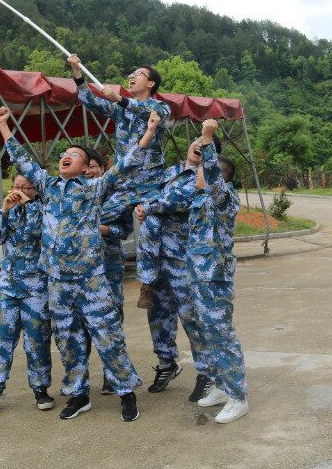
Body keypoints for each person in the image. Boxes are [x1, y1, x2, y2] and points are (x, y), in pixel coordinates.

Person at [0, 104, 161, 422]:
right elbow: (21, 159)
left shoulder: (94, 189)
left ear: (84, 166)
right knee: (67, 339)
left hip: (90, 279)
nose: (65, 157)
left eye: (73, 154)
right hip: (58, 282)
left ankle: (126, 392)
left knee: (107, 334)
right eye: (63, 154)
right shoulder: (47, 186)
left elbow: (127, 164)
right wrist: (3, 125)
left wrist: (149, 131)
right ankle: (78, 394)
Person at [67, 54, 170, 309]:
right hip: (123, 183)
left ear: (151, 84)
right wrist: (77, 72)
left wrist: (120, 99)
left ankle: (147, 283)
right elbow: (89, 101)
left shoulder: (160, 107)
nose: (131, 77)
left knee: (151, 225)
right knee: (95, 217)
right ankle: (83, 268)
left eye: (138, 74)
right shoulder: (120, 110)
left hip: (150, 183)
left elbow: (148, 112)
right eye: (131, 74)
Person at [133, 136, 215, 399]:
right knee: (158, 314)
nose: (198, 146)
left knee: (191, 315)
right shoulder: (171, 171)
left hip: (182, 257)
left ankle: (207, 372)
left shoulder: (205, 177)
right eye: (196, 141)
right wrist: (145, 207)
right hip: (155, 257)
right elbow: (150, 193)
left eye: (205, 145)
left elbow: (178, 200)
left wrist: (149, 207)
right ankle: (166, 363)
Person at [0, 173, 55, 412]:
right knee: (2, 339)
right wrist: (4, 210)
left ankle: (41, 389)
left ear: (34, 189)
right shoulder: (9, 212)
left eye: (24, 187)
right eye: (15, 186)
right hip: (8, 287)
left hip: (35, 289)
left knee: (37, 341)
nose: (18, 191)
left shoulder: (43, 210)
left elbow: (37, 231)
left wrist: (28, 205)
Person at [189, 120, 249, 423]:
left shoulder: (224, 199)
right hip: (198, 277)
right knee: (206, 334)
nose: (196, 175)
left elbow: (212, 179)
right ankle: (222, 386)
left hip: (215, 277)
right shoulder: (200, 201)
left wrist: (207, 139)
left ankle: (238, 396)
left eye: (200, 170)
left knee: (221, 335)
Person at [84, 149, 134, 396]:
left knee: (112, 320)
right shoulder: (70, 193)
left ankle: (112, 375)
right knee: (79, 325)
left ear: (103, 168)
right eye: (85, 167)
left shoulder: (118, 195)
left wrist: (103, 229)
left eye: (93, 166)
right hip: (80, 270)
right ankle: (79, 380)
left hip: (108, 266)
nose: (89, 171)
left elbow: (125, 230)